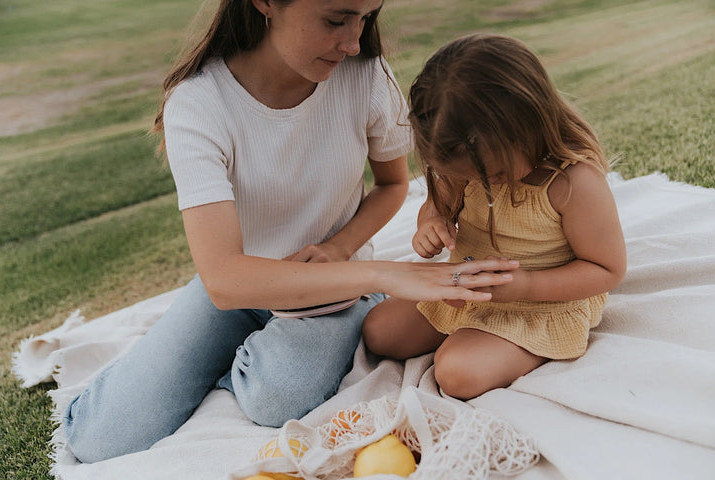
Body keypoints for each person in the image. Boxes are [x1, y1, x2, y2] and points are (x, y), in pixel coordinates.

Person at [61, 1, 519, 463]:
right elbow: (224, 279)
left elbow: (392, 183)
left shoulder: (365, 74)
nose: (353, 41)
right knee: (98, 439)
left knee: (274, 401)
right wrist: (382, 276)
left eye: (365, 19)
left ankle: (246, 357)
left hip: (334, 287)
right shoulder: (199, 102)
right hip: (239, 285)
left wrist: (340, 249)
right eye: (336, 20)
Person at [362, 33, 627, 401]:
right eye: (464, 176)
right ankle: (474, 333)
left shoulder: (572, 183)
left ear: (526, 126)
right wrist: (431, 223)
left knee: (455, 373)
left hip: (540, 304)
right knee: (378, 331)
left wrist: (525, 287)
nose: (477, 185)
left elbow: (607, 269)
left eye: (493, 176)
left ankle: (525, 348)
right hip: (467, 290)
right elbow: (442, 203)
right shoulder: (469, 164)